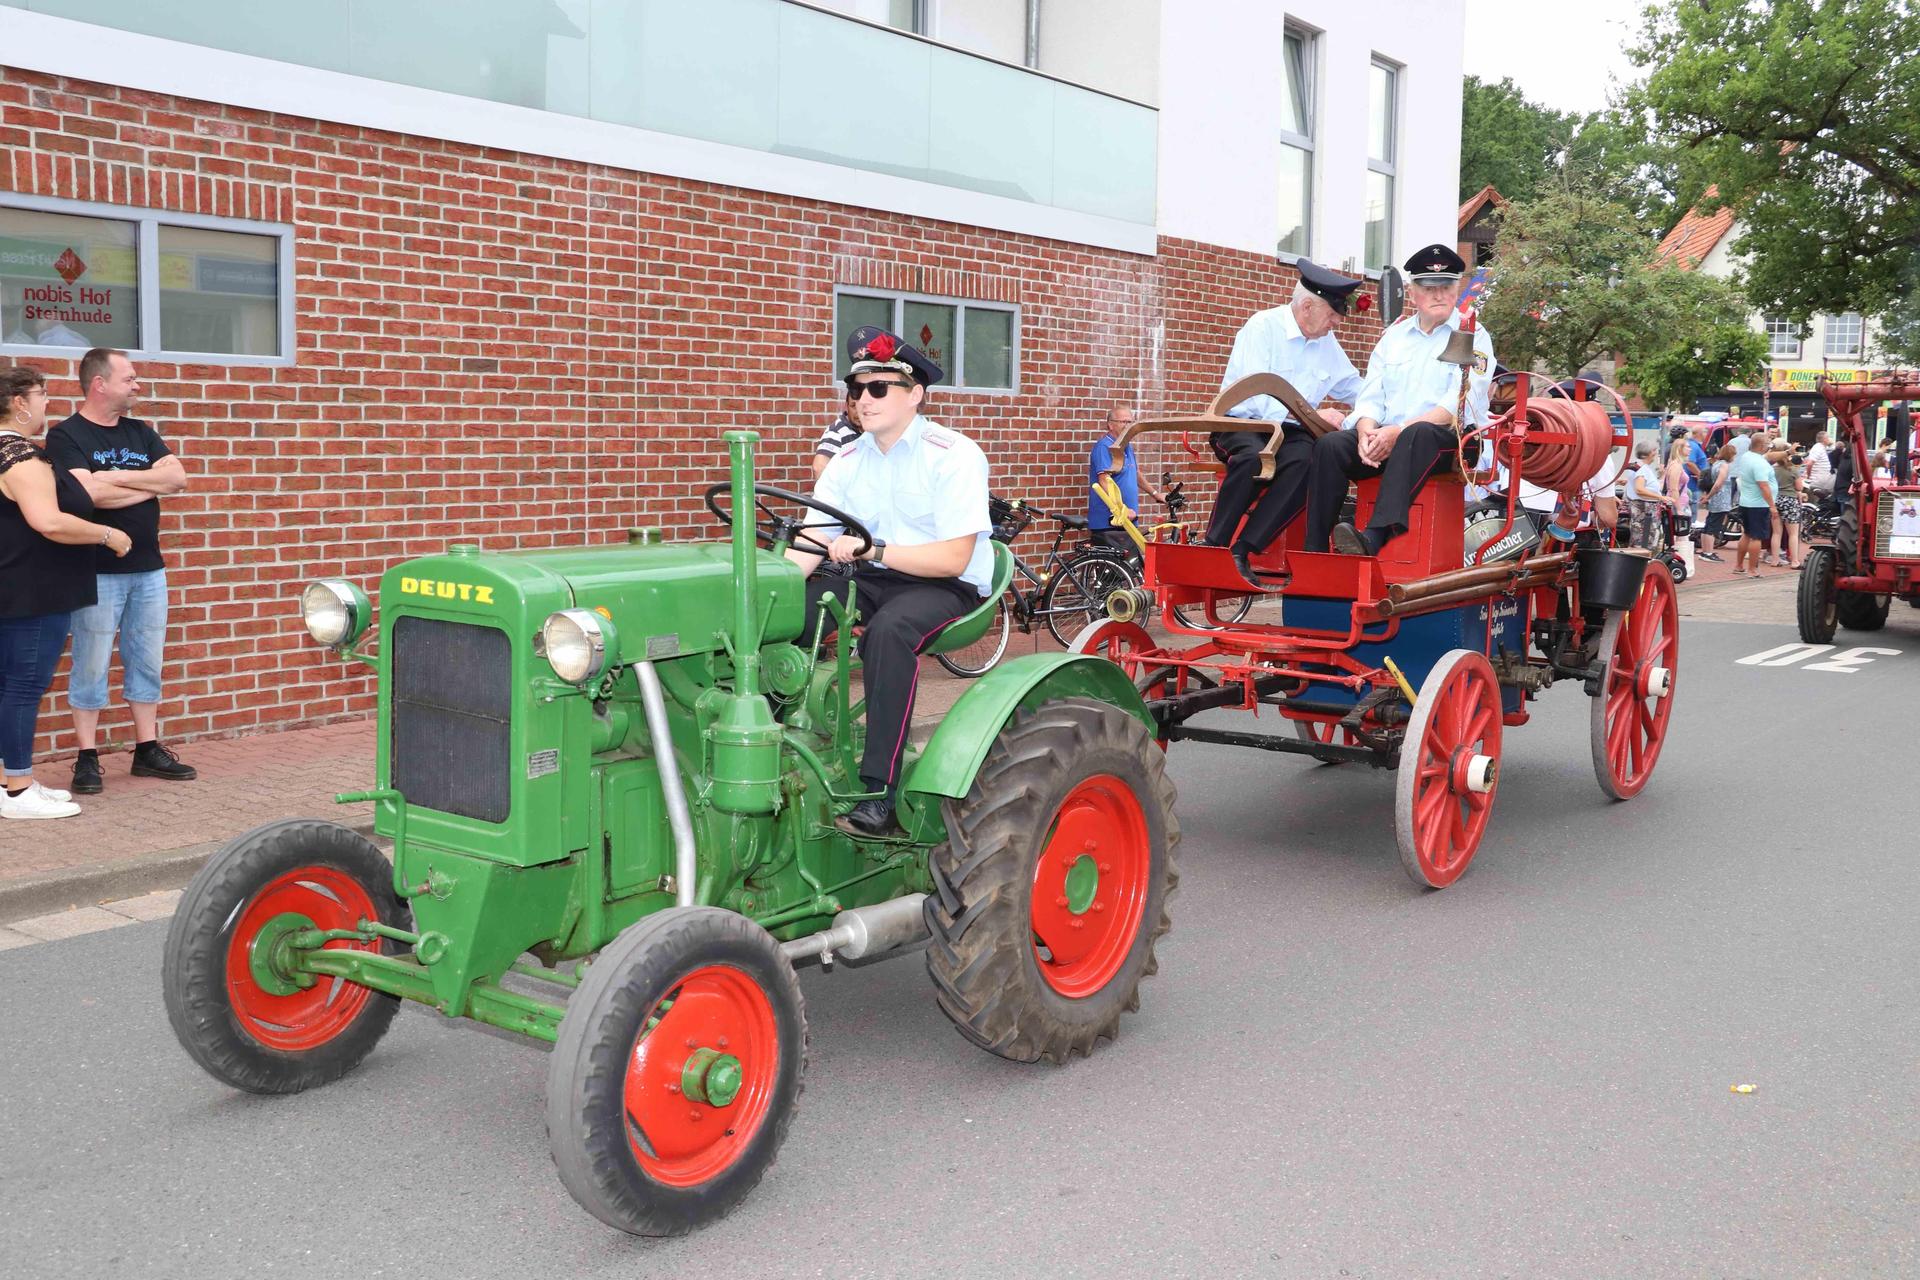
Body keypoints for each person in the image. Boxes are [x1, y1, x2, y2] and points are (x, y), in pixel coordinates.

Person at [792, 327, 991, 836]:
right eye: (857, 389)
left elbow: (953, 557)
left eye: (878, 387)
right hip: (873, 575)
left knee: (889, 634)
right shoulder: (847, 460)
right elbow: (810, 545)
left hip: (942, 583)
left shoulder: (953, 453)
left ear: (915, 394)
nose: (864, 399)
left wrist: (872, 549)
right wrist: (769, 593)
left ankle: (880, 790)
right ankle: (774, 741)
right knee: (792, 613)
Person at [45, 348, 197, 793]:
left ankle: (147, 750)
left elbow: (177, 479)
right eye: (129, 378)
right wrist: (143, 485)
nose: (137, 385)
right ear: (100, 384)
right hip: (95, 572)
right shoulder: (65, 436)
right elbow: (85, 497)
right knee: (90, 664)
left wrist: (109, 478)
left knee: (147, 660)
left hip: (149, 570)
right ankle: (87, 757)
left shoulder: (139, 431)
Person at [0, 366, 134, 819]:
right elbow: (49, 521)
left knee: (8, 686)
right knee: (23, 688)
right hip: (35, 592)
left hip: (16, 586)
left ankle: (8, 780)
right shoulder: (18, 455)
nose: (45, 403)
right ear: (19, 403)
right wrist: (106, 535)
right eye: (41, 394)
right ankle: (17, 789)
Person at [1307, 244, 1495, 557]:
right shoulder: (1394, 338)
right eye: (1429, 288)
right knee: (1331, 446)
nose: (1439, 295)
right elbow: (1371, 395)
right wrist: (1367, 429)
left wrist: (1397, 432)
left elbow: (1458, 403)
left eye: (1446, 287)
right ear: (1412, 293)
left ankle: (1374, 538)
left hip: (1452, 440)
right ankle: (1314, 551)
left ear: (1456, 289)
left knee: (1415, 433)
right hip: (1393, 438)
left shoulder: (1472, 333)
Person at [1205, 258, 1364, 582]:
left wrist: (1381, 413)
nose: (1336, 322)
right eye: (1332, 314)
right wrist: (1310, 414)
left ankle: (1244, 550)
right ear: (1307, 306)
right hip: (1242, 423)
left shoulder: (1325, 342)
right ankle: (1214, 545)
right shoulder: (1262, 327)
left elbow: (1355, 387)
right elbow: (1256, 398)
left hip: (1290, 432)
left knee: (1312, 462)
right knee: (1252, 459)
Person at [1087, 405, 1165, 552]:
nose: (1128, 426)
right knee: (1115, 571)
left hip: (1127, 521)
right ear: (1110, 424)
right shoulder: (1104, 447)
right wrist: (1122, 509)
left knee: (1130, 569)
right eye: (1123, 422)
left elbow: (1134, 473)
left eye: (1130, 422)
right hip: (1109, 522)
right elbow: (1104, 480)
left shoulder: (1126, 446)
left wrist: (1155, 494)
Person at [1731, 433, 1777, 576]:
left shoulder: (1747, 457)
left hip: (1746, 502)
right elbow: (1763, 485)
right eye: (1768, 444)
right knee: (1756, 537)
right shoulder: (1759, 463)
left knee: (1747, 534)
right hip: (1759, 505)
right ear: (1762, 446)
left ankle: (1739, 565)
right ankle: (1752, 569)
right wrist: (1772, 506)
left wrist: (1788, 452)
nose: (1769, 447)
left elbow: (1771, 456)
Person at [1767, 443, 1807, 568]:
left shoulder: (1772, 470)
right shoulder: (1793, 470)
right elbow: (1799, 487)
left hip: (1775, 500)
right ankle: (1794, 561)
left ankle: (1775, 559)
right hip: (1790, 500)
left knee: (1776, 532)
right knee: (1793, 534)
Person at [812, 385, 863, 480]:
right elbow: (819, 468)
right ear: (846, 406)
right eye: (853, 406)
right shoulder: (837, 431)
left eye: (862, 406)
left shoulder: (872, 430)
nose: (858, 412)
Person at [1625, 440, 1667, 551]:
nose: (1656, 453)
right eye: (1655, 450)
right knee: (1645, 539)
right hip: (1645, 508)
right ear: (1650, 453)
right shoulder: (1643, 469)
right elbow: (1639, 489)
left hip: (1639, 506)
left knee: (1638, 536)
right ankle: (1643, 562)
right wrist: (1661, 497)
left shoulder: (1635, 465)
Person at [1697, 443, 1736, 561]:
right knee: (1714, 527)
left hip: (1715, 500)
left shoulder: (1715, 464)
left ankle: (1705, 551)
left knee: (1708, 524)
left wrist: (1708, 496)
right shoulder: (1724, 466)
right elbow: (1718, 484)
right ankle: (1709, 553)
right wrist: (1709, 496)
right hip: (1720, 500)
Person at [1805, 432, 1834, 498]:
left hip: (1821, 482)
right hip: (1817, 483)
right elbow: (1809, 463)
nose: (1830, 439)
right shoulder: (1818, 448)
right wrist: (1808, 476)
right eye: (1828, 437)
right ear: (1824, 439)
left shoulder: (1822, 448)